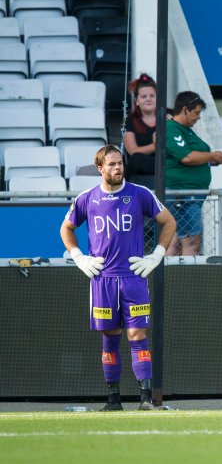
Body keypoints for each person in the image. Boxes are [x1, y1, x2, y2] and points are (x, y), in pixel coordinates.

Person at [59, 145, 176, 411]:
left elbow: (168, 222)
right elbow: (66, 228)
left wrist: (156, 255)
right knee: (110, 338)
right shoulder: (86, 198)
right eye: (111, 165)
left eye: (120, 163)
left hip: (134, 277)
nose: (118, 168)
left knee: (137, 335)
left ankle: (146, 399)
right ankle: (113, 400)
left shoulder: (139, 194)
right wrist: (79, 257)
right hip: (102, 280)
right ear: (100, 168)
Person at [165, 91, 222, 256]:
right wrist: (211, 155)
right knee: (190, 241)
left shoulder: (186, 130)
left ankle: (171, 279)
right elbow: (186, 157)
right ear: (185, 109)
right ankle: (183, 279)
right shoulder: (172, 128)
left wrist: (209, 160)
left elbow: (192, 157)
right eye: (196, 112)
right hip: (182, 194)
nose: (198, 117)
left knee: (176, 241)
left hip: (188, 195)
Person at [123, 73, 158, 189]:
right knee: (136, 159)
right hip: (142, 165)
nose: (148, 99)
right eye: (143, 97)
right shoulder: (131, 119)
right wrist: (155, 146)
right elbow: (133, 151)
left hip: (164, 162)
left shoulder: (169, 115)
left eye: (152, 96)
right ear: (137, 100)